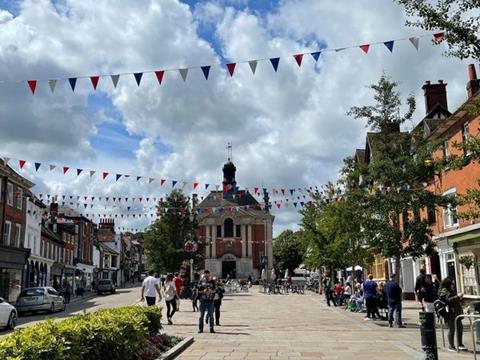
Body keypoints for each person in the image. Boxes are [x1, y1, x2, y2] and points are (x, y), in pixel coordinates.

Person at [438, 277, 466, 351]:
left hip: (456, 312)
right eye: (452, 283)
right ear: (448, 283)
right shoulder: (444, 290)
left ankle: (460, 344)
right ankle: (451, 346)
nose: (453, 285)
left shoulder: (451, 289)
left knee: (460, 328)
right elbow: (446, 300)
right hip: (450, 312)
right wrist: (458, 297)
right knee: (452, 329)